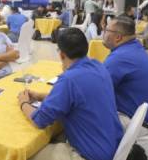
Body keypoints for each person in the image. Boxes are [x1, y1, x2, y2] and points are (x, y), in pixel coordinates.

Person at [18, 28, 123, 160]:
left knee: (28, 153)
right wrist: (40, 96)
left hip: (90, 154)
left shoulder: (69, 79)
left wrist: (23, 103)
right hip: (110, 143)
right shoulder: (98, 66)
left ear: (61, 55)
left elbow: (39, 119)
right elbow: (77, 97)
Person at [103, 16, 148, 135]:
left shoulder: (120, 58)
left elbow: (94, 90)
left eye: (106, 30)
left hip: (135, 124)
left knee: (80, 111)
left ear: (118, 37)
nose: (103, 33)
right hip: (145, 118)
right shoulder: (134, 47)